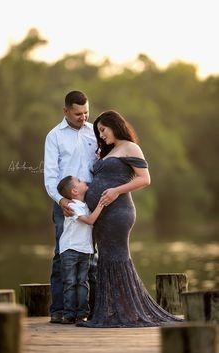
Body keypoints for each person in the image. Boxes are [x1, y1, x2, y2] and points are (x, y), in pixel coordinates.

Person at [77, 110, 183, 328]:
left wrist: (116, 191)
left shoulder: (130, 147)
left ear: (114, 125)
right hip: (101, 214)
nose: (101, 135)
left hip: (118, 212)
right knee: (106, 259)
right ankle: (114, 312)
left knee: (116, 258)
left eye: (103, 130)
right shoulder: (110, 150)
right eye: (98, 132)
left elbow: (145, 179)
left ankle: (126, 312)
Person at [44, 91, 97, 323]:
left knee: (93, 257)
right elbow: (50, 176)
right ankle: (59, 310)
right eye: (77, 113)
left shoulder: (95, 132)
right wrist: (62, 201)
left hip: (92, 202)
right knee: (62, 255)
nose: (83, 117)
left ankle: (92, 311)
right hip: (64, 203)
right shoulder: (54, 136)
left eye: (86, 112)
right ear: (65, 111)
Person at [56, 176, 104, 324]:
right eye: (79, 180)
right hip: (70, 249)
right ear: (75, 190)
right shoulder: (72, 206)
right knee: (70, 282)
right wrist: (101, 205)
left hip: (85, 250)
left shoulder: (85, 206)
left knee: (82, 282)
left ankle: (82, 313)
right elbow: (89, 221)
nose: (83, 181)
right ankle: (69, 313)